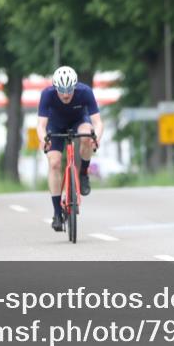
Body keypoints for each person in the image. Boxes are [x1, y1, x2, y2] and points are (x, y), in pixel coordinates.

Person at [37, 66, 104, 232]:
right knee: (54, 163)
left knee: (87, 136)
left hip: (79, 122)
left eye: (69, 90)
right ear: (55, 87)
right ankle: (57, 213)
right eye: (62, 90)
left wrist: (97, 138)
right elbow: (41, 125)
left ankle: (83, 173)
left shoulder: (85, 92)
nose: (66, 94)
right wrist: (43, 140)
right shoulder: (47, 94)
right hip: (55, 125)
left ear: (75, 86)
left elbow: (98, 122)